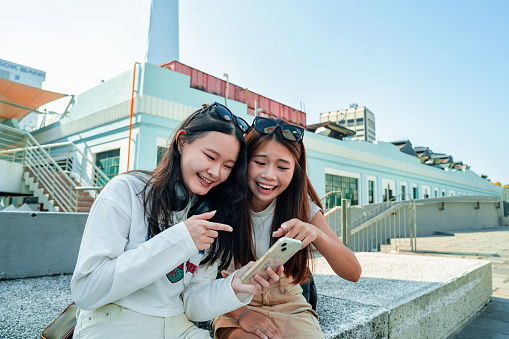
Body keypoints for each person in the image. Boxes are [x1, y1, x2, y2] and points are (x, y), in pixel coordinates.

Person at [71, 103, 283, 339]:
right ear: (182, 142)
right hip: (116, 321)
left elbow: (192, 303)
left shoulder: (208, 213)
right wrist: (180, 240)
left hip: (178, 326)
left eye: (227, 166)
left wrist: (234, 286)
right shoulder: (127, 191)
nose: (215, 172)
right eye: (210, 156)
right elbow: (87, 290)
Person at [214, 116, 362, 339]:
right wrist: (243, 313)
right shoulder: (220, 204)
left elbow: (353, 272)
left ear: (295, 170)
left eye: (283, 166)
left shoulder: (303, 208)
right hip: (235, 304)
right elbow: (203, 280)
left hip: (291, 304)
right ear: (243, 161)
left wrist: (316, 234)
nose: (269, 175)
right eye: (260, 162)